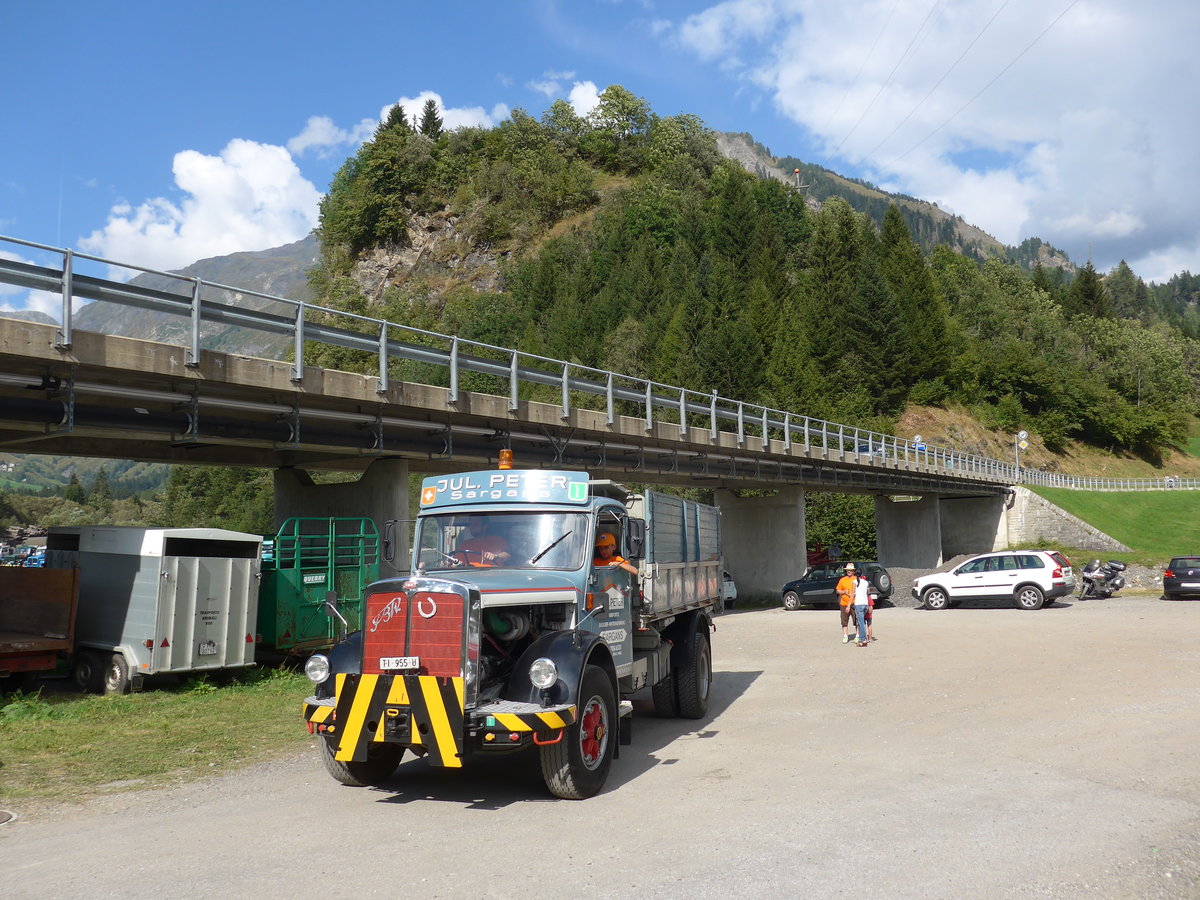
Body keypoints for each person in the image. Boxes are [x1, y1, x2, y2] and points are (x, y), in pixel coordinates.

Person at [836, 562, 858, 643]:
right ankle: (845, 636)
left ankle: (857, 635)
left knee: (856, 620)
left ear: (853, 571)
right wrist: (844, 592)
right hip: (844, 603)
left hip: (855, 603)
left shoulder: (857, 579)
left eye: (850, 570)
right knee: (844, 621)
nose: (849, 571)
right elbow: (837, 590)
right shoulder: (842, 580)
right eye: (847, 570)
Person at [852, 572, 871, 647]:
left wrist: (849, 604)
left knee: (861, 623)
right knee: (861, 622)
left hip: (858, 603)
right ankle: (861, 639)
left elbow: (852, 594)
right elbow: (867, 593)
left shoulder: (854, 582)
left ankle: (863, 640)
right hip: (865, 603)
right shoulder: (866, 582)